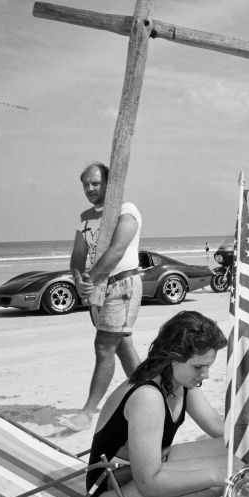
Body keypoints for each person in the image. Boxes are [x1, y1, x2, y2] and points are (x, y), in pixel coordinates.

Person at [86, 311, 249, 497]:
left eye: (208, 366)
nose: (205, 375)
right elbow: (149, 483)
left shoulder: (178, 381)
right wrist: (219, 476)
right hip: (113, 491)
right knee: (237, 472)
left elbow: (217, 425)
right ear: (173, 358)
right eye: (198, 367)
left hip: (143, 469)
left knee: (246, 453)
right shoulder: (147, 397)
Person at [59, 162, 143, 432]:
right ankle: (149, 393)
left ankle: (87, 412)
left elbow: (116, 252)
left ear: (110, 183)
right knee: (122, 347)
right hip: (98, 289)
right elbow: (77, 256)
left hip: (122, 286)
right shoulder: (85, 217)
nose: (90, 189)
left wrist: (90, 279)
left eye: (95, 183)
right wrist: (79, 280)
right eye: (85, 184)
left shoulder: (126, 211)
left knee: (104, 346)